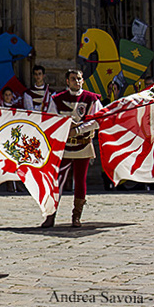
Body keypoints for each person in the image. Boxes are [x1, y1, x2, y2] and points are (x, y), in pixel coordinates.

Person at [43, 69, 103, 228]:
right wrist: (65, 127)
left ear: (82, 80)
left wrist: (78, 129)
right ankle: (51, 215)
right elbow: (52, 119)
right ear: (67, 81)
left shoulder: (91, 99)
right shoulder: (57, 99)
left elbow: (98, 120)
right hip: (63, 146)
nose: (76, 81)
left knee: (80, 181)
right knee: (57, 182)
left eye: (79, 79)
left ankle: (76, 216)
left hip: (83, 144)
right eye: (73, 79)